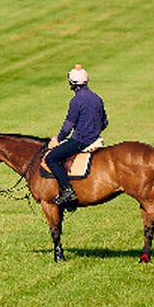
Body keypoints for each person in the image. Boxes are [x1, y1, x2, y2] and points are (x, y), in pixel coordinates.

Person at [46, 64, 107, 208]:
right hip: (95, 139)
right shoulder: (97, 98)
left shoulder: (76, 100)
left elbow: (68, 125)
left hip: (81, 140)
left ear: (72, 83)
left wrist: (58, 139)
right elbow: (105, 122)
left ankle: (67, 190)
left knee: (51, 158)